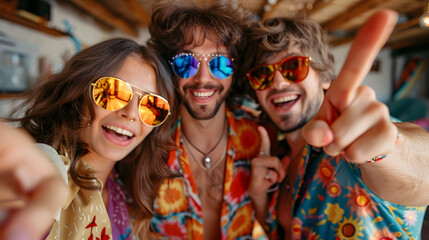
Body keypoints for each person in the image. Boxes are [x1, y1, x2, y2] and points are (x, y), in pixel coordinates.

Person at [244, 11, 429, 239]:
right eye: (262, 75)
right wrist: (259, 197)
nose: (278, 82)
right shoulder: (276, 162)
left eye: (293, 66)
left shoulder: (352, 145)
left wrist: (389, 148)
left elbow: (422, 172)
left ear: (324, 77)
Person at [1, 38, 176, 239]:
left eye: (152, 105)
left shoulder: (125, 191)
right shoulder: (44, 167)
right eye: (112, 91)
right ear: (78, 93)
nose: (131, 113)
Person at [147, 1, 264, 239]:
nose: (202, 78)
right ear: (169, 69)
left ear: (236, 70)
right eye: (185, 62)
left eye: (220, 64)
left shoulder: (260, 137)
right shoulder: (145, 143)